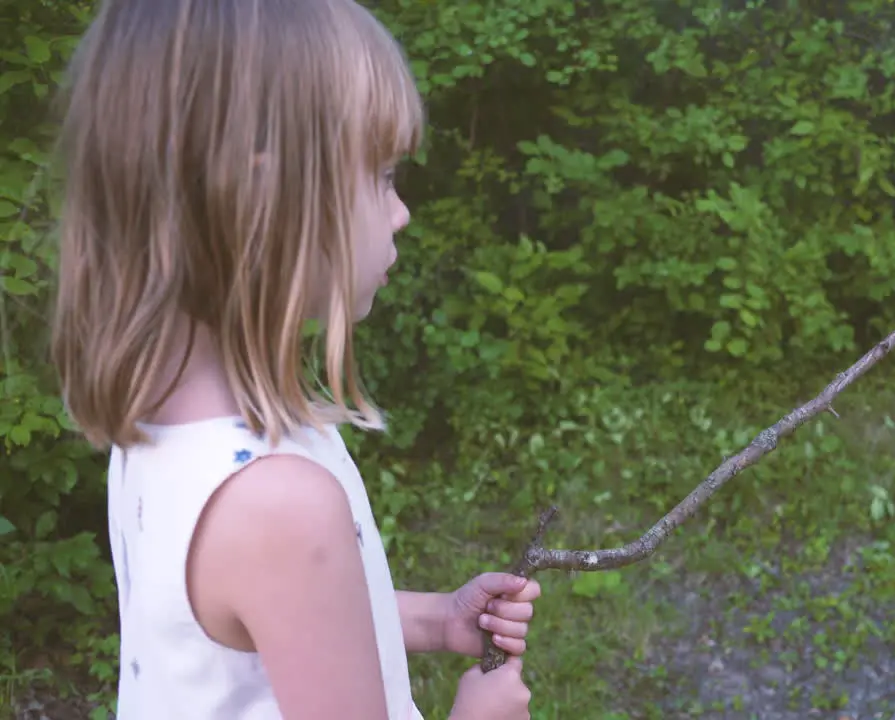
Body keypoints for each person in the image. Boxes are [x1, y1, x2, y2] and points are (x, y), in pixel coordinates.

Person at [48, 1, 539, 718]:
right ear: (260, 200)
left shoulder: (162, 429)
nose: (400, 211)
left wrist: (437, 620)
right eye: (380, 175)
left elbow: (279, 625)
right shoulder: (277, 503)